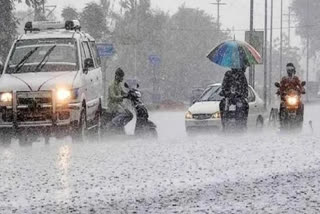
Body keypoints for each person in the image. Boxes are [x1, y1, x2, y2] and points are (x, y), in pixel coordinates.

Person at [219, 66, 249, 131]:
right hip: (229, 98)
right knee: (222, 104)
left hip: (238, 98)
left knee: (244, 106)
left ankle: (242, 123)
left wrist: (240, 94)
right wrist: (228, 93)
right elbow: (224, 87)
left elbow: (245, 89)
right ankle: (224, 123)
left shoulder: (241, 75)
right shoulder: (228, 74)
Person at [277, 63, 304, 127]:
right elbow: (280, 87)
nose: (289, 71)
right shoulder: (284, 79)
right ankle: (281, 120)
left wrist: (302, 90)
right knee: (282, 105)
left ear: (293, 70)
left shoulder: (296, 79)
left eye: (291, 69)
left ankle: (300, 120)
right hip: (286, 98)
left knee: (300, 105)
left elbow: (300, 86)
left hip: (295, 98)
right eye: (288, 69)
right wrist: (279, 91)